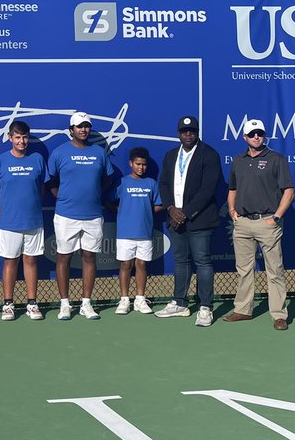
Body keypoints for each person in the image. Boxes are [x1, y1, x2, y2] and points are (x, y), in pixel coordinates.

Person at [223, 118, 295, 331]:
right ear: (245, 137)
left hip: (268, 222)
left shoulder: (276, 159)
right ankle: (243, 310)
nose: (256, 137)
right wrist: (232, 211)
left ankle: (279, 315)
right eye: (252, 134)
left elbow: (288, 191)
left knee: (275, 269)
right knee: (244, 269)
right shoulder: (238, 160)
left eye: (260, 133)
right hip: (243, 223)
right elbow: (232, 189)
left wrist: (276, 217)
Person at [156, 115, 222, 326]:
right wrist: (171, 208)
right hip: (175, 218)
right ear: (178, 134)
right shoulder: (170, 155)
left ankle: (205, 307)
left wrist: (185, 212)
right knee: (181, 261)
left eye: (192, 131)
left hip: (199, 219)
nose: (188, 135)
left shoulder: (209, 154)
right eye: (184, 132)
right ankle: (180, 303)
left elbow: (208, 189)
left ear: (197, 132)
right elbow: (164, 183)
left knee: (202, 261)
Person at [48, 111, 113, 321]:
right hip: (66, 215)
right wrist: (63, 198)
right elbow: (50, 182)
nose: (83, 130)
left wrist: (94, 196)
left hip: (93, 215)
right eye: (79, 126)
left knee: (89, 257)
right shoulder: (59, 153)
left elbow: (107, 179)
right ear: (71, 130)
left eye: (86, 126)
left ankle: (86, 303)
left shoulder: (99, 153)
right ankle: (65, 304)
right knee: (64, 257)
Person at [0, 120, 49, 321]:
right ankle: (8, 304)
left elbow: (41, 188)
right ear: (10, 138)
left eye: (25, 137)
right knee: (10, 262)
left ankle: (32, 303)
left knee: (30, 261)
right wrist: (1, 215)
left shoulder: (38, 159)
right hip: (9, 223)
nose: (22, 141)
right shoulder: (0, 161)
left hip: (33, 222)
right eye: (18, 137)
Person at [108, 146, 163, 315]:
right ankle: (124, 300)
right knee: (126, 265)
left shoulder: (151, 183)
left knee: (141, 264)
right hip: (125, 233)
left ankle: (140, 299)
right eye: (138, 164)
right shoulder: (122, 182)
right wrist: (122, 211)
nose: (141, 167)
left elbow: (159, 205)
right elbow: (109, 201)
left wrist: (145, 212)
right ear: (131, 163)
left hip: (145, 232)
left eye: (144, 165)